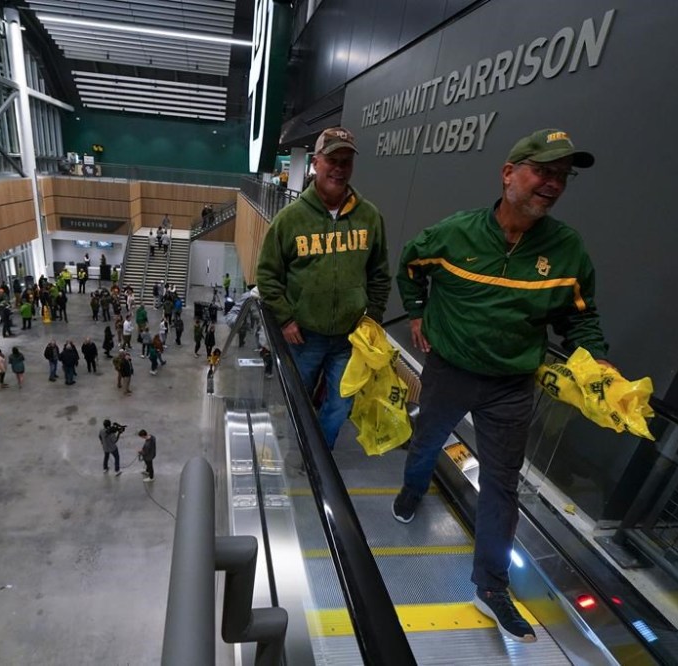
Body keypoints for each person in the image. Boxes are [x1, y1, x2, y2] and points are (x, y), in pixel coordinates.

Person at [392, 128, 610, 644]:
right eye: (543, 172)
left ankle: (490, 587)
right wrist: (419, 313)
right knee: (427, 440)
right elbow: (409, 268)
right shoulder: (454, 234)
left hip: (511, 387)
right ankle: (412, 488)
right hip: (449, 371)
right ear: (509, 173)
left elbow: (580, 317)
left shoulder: (566, 250)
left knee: (502, 485)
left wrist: (597, 363)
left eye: (562, 177)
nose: (553, 185)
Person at [257, 126, 390, 449]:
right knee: (297, 399)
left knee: (340, 404)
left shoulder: (369, 217)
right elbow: (267, 274)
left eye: (346, 161)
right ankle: (296, 449)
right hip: (304, 336)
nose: (339, 168)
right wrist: (286, 319)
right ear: (316, 162)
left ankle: (320, 456)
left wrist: (371, 317)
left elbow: (380, 273)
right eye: (332, 159)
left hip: (349, 337)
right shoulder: (290, 219)